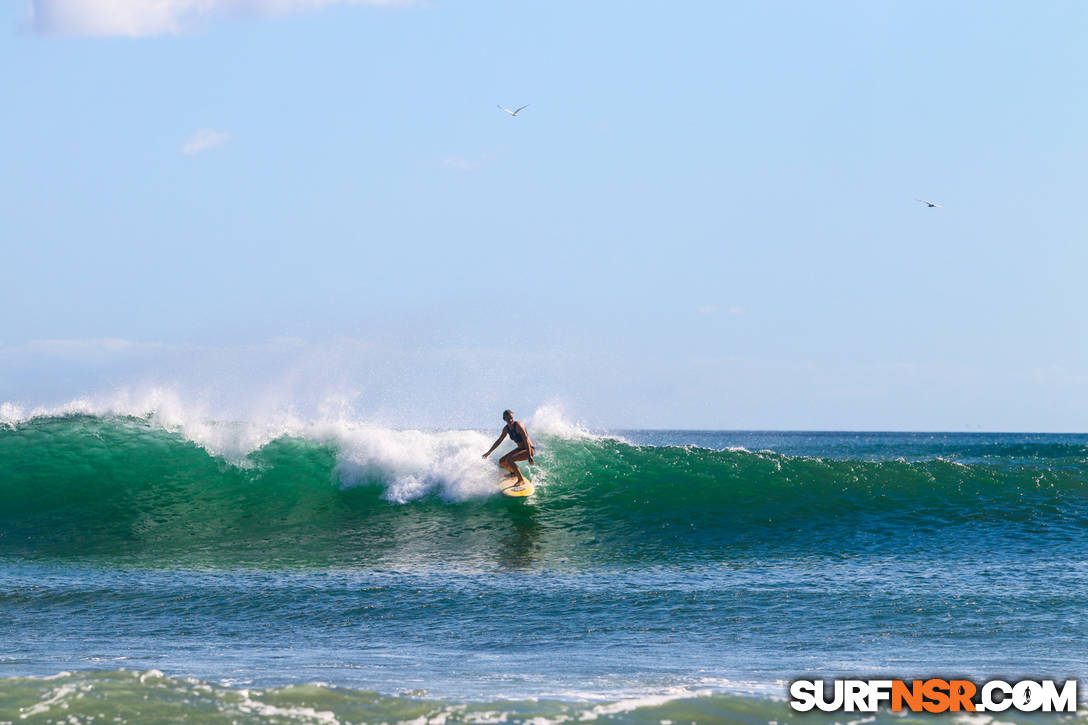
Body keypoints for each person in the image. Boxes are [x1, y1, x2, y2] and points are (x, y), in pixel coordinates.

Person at [482, 410, 535, 485]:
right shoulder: (506, 429)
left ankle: (521, 480)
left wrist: (529, 455)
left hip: (529, 449)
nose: (510, 420)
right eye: (508, 419)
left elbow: (526, 439)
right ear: (504, 419)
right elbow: (499, 441)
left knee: (510, 460)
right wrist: (489, 452)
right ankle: (513, 472)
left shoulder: (518, 425)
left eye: (511, 418)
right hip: (520, 449)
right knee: (502, 461)